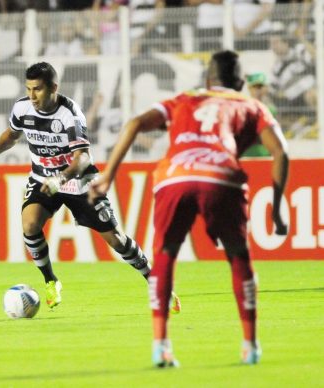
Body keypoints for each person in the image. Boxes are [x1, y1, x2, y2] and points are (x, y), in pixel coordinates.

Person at [89, 50, 289, 367]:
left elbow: (135, 123)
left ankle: (161, 346)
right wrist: (277, 208)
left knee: (166, 255)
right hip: (220, 177)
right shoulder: (250, 105)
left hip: (174, 178)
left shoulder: (183, 99)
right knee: (238, 256)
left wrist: (109, 175)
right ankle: (250, 345)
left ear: (208, 78)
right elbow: (281, 151)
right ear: (240, 82)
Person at [0, 62, 181, 311]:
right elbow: (12, 133)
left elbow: (82, 158)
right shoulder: (22, 107)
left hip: (78, 181)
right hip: (43, 178)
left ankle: (156, 283)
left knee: (116, 240)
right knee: (30, 224)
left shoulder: (70, 113)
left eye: (38, 89)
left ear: (53, 87)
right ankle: (51, 281)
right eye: (28, 89)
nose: (32, 96)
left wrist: (59, 179)